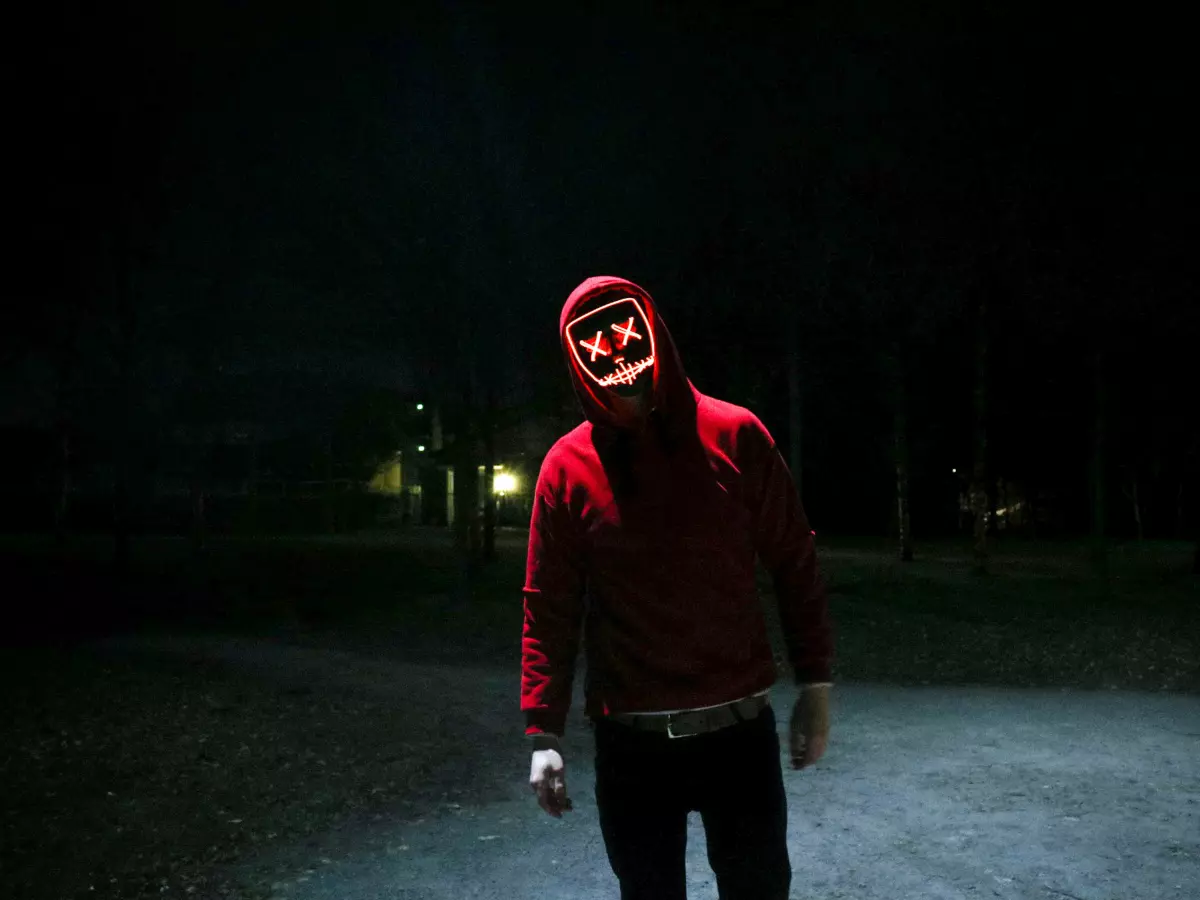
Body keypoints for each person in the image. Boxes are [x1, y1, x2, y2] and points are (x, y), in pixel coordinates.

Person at [521, 275, 834, 900]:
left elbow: (796, 562)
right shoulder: (566, 467)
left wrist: (816, 684)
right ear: (575, 361)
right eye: (592, 343)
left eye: (622, 330)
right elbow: (548, 603)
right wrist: (543, 732)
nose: (613, 354)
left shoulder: (737, 435)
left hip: (737, 735)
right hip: (633, 746)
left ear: (653, 331)